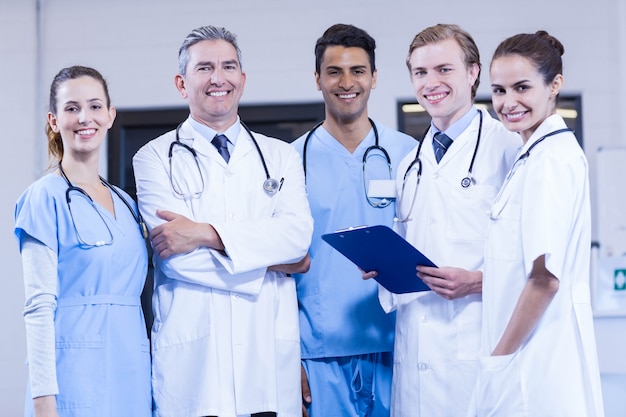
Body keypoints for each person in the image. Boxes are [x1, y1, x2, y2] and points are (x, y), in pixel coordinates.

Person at [132, 25, 313, 417]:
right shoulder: (153, 158)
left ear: (242, 81)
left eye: (228, 67)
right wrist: (272, 260)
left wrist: (204, 233)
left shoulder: (280, 157)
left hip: (266, 362)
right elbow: (175, 257)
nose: (219, 78)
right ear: (182, 83)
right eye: (204, 68)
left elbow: (297, 239)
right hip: (195, 369)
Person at [366, 24, 521, 417]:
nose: (431, 83)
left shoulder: (508, 148)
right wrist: (383, 268)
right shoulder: (409, 165)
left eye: (444, 69)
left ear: (473, 73)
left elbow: (541, 259)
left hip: (479, 345)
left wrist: (479, 281)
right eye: (420, 73)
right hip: (417, 353)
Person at [462, 30, 604, 416]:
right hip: (529, 360)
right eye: (499, 90)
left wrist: (499, 359)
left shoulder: (550, 161)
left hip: (531, 363)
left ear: (555, 85)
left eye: (522, 87)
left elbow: (545, 278)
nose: (508, 103)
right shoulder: (533, 155)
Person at [291, 23, 417, 417]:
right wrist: (287, 358)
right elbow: (276, 269)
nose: (347, 82)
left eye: (358, 71)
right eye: (334, 71)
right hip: (320, 353)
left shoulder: (409, 155)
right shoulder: (291, 162)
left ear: (374, 78)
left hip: (399, 346)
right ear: (317, 79)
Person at [14, 66, 151, 417]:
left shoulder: (127, 203)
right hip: (73, 378)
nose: (84, 117)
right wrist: (44, 400)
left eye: (94, 106)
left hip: (131, 374)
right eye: (71, 108)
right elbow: (38, 306)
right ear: (54, 120)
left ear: (110, 115)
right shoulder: (44, 197)